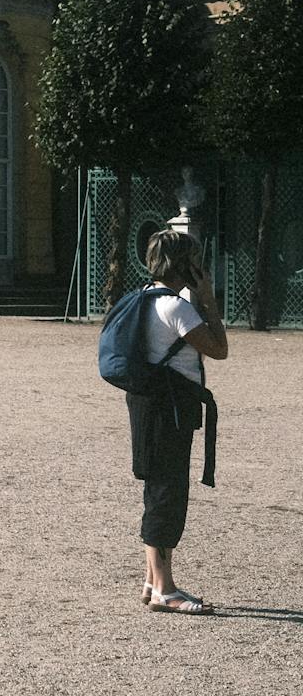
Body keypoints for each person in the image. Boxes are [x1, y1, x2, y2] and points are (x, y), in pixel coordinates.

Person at [129, 228, 228, 615]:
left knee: (157, 487)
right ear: (183, 264)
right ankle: (165, 590)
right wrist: (208, 301)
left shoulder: (142, 298)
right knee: (167, 493)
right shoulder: (177, 308)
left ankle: (153, 579)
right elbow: (219, 349)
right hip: (170, 406)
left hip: (146, 402)